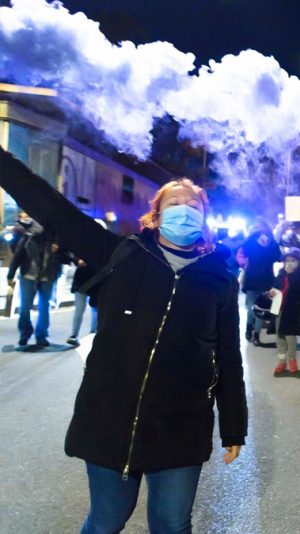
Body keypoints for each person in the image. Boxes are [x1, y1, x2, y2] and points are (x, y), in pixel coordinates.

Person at [0, 149, 247, 533]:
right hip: (111, 418)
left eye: (192, 204)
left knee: (171, 524)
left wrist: (234, 427)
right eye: (174, 202)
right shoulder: (122, 254)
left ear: (203, 216)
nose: (184, 209)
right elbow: (50, 207)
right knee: (106, 520)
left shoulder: (219, 280)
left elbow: (229, 358)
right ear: (157, 214)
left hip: (180, 425)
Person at [6, 215, 68, 347]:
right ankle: (25, 333)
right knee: (24, 308)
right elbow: (18, 255)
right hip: (28, 276)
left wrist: (58, 250)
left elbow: (66, 256)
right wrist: (10, 275)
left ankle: (41, 336)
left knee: (44, 307)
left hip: (47, 277)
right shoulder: (28, 237)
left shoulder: (56, 239)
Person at [237, 222, 281, 346]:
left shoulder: (272, 244)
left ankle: (256, 335)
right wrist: (245, 263)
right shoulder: (249, 243)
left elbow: (278, 257)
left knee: (262, 308)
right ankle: (249, 326)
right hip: (251, 280)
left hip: (267, 280)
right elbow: (240, 254)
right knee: (252, 307)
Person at [270, 247, 300, 374]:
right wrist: (272, 292)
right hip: (278, 308)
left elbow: (299, 289)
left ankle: (292, 360)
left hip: (292, 309)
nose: (289, 263)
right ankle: (282, 361)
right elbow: (276, 286)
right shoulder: (281, 272)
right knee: (279, 336)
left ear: (298, 262)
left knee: (290, 336)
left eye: (292, 260)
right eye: (287, 260)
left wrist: (290, 275)